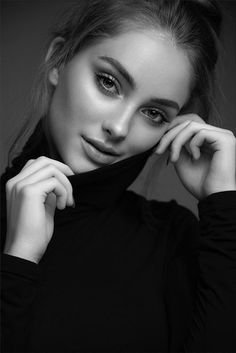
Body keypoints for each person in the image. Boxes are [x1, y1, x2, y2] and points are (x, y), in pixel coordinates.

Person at [1, 0, 236, 352]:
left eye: (154, 113)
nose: (119, 127)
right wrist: (18, 261)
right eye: (108, 82)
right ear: (59, 60)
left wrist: (223, 207)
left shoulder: (172, 242)